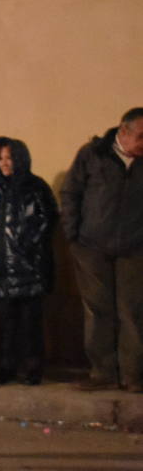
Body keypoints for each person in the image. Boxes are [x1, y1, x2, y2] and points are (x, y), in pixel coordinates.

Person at [60, 108, 143, 392]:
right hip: (92, 247)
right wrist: (72, 236)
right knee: (98, 311)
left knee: (131, 312)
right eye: (141, 136)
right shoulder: (93, 154)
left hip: (134, 249)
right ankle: (102, 371)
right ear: (123, 132)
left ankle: (132, 375)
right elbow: (71, 193)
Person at [0, 137, 58, 385]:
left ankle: (33, 368)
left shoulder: (37, 188)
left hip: (30, 267)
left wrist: (27, 246)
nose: (5, 163)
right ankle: (7, 366)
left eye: (9, 157)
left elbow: (47, 220)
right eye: (0, 158)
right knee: (6, 322)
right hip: (2, 267)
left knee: (31, 323)